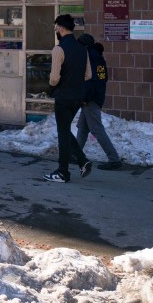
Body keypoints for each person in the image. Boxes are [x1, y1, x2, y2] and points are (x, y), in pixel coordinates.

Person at [44, 14, 92, 183]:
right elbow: (88, 75)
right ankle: (82, 161)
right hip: (77, 97)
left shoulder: (59, 49)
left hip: (63, 96)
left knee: (63, 133)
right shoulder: (82, 49)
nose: (56, 30)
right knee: (64, 129)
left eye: (56, 27)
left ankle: (63, 171)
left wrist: (51, 85)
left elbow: (54, 78)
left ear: (62, 28)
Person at [76, 35, 123, 170]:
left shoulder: (90, 57)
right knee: (83, 127)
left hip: (90, 99)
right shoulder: (98, 57)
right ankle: (76, 154)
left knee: (97, 129)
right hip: (95, 97)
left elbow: (91, 80)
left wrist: (85, 97)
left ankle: (114, 159)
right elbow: (103, 78)